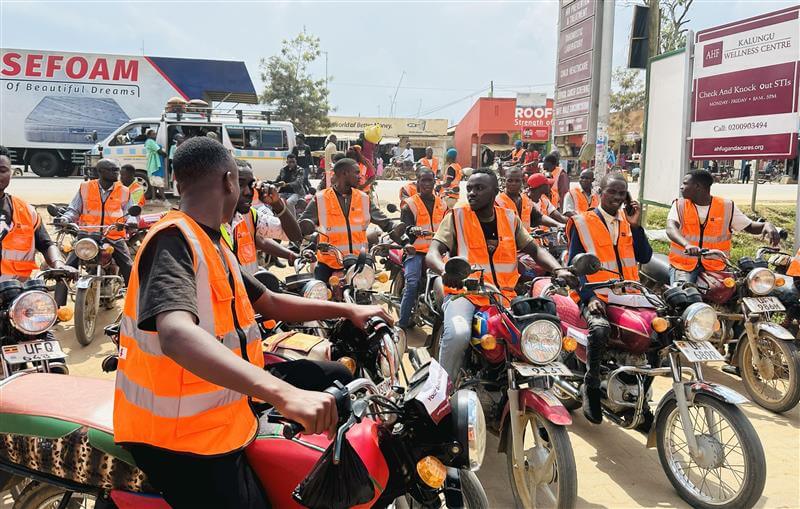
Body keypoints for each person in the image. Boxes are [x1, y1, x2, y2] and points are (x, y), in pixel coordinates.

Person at [112, 137, 391, 509]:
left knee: (332, 373)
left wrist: (348, 311)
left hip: (223, 406)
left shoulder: (211, 241)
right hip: (180, 433)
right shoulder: (173, 240)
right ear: (229, 181)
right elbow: (176, 334)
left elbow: (271, 301)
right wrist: (284, 394)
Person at [425, 169, 576, 379]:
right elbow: (433, 253)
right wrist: (445, 271)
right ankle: (440, 389)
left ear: (495, 191)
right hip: (465, 295)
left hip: (504, 297)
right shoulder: (456, 217)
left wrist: (559, 269)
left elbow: (536, 250)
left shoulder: (510, 218)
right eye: (469, 188)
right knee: (458, 334)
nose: (472, 193)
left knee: (535, 335)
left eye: (479, 188)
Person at [567, 172, 653, 424]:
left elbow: (644, 256)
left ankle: (641, 400)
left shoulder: (628, 223)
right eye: (611, 191)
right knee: (599, 328)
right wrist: (588, 295)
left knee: (657, 334)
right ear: (599, 192)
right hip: (596, 295)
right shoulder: (583, 222)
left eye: (621, 192)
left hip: (629, 296)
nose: (616, 197)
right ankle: (591, 387)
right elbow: (574, 265)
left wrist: (636, 226)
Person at [666, 169, 780, 284]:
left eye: (685, 184)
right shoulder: (679, 205)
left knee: (736, 292)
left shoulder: (726, 206)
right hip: (684, 266)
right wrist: (687, 244)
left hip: (716, 266)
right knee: (683, 296)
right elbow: (671, 228)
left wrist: (766, 225)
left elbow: (748, 226)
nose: (681, 187)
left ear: (697, 186)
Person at [300, 158, 401, 282]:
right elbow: (302, 225)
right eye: (357, 173)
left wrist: (399, 232)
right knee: (318, 296)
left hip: (359, 264)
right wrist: (306, 230)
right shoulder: (320, 199)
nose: (360, 177)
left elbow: (385, 223)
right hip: (329, 264)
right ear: (344, 173)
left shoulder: (363, 198)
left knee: (366, 298)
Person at [55, 159, 135, 306]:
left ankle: (135, 305)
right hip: (87, 235)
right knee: (65, 268)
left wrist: (132, 221)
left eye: (117, 170)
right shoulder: (85, 187)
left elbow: (130, 212)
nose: (116, 173)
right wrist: (66, 218)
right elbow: (74, 209)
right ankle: (58, 308)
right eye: (112, 170)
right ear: (101, 172)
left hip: (113, 237)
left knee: (129, 267)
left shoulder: (124, 190)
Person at [0, 146, 71, 281]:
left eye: (2, 170)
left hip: (16, 293)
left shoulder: (26, 210)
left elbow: (46, 244)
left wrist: (59, 264)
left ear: (11, 173)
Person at [222, 160, 302, 275]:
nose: (248, 192)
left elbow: (294, 235)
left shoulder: (250, 216)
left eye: (251, 185)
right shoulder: (207, 222)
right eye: (240, 184)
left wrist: (277, 204)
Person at [397, 168, 447, 330]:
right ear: (417, 182)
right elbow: (404, 229)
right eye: (423, 180)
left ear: (435, 182)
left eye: (430, 180)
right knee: (412, 283)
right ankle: (402, 323)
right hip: (416, 252)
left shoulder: (442, 203)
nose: (427, 184)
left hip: (437, 252)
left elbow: (449, 228)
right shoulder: (409, 205)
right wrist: (412, 229)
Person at [495, 167, 561, 229]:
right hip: (507, 241)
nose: (513, 184)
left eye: (517, 181)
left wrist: (558, 224)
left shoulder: (525, 200)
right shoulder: (498, 201)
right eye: (510, 181)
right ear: (504, 182)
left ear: (522, 182)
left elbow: (539, 217)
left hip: (527, 240)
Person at [145, 130, 169, 205]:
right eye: (153, 134)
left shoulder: (150, 142)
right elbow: (159, 151)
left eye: (155, 134)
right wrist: (165, 154)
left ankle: (153, 199)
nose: (155, 135)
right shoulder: (150, 141)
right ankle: (165, 200)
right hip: (155, 165)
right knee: (159, 183)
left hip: (154, 164)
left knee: (154, 183)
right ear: (149, 135)